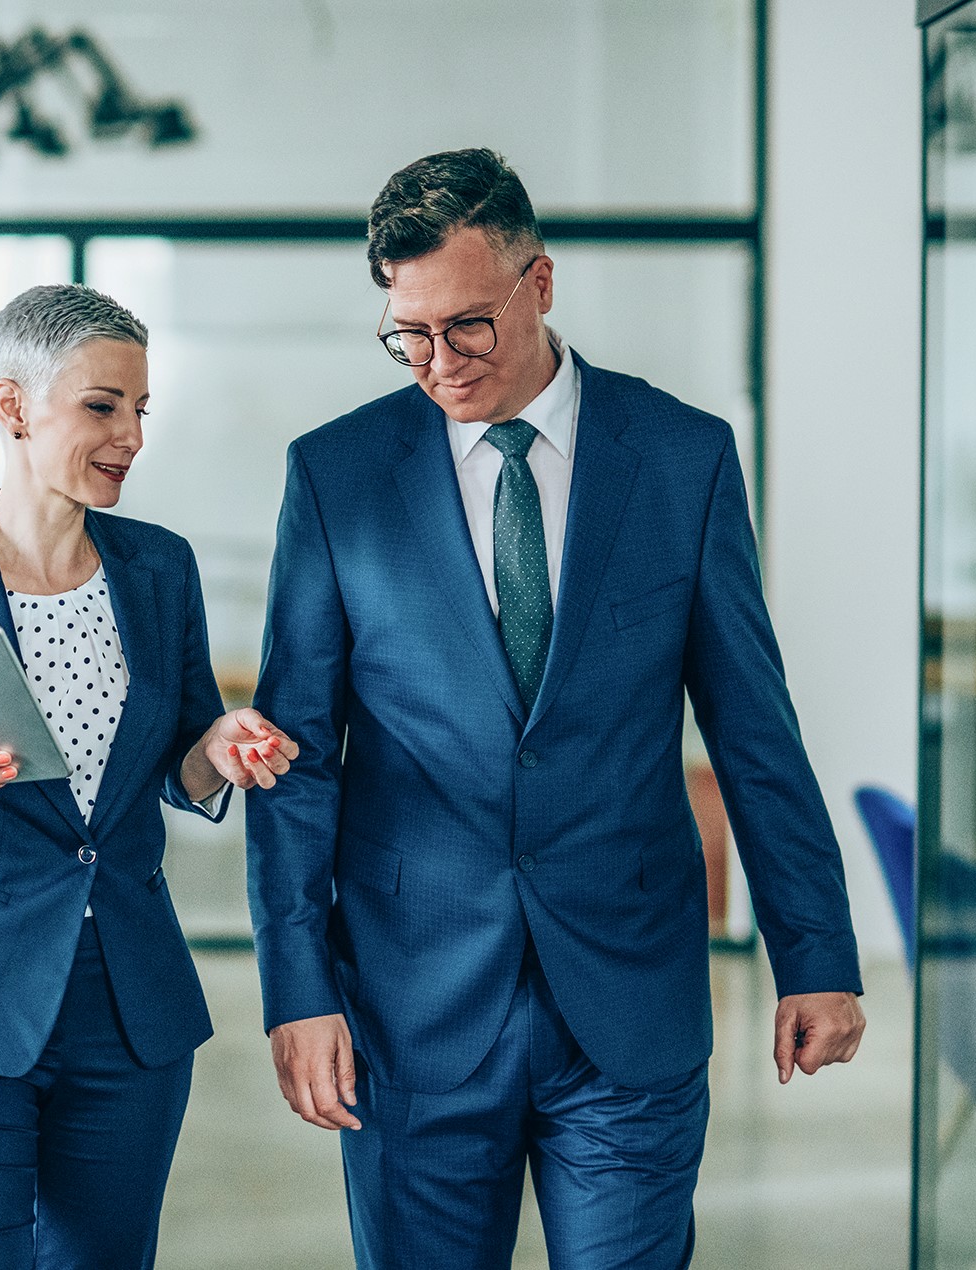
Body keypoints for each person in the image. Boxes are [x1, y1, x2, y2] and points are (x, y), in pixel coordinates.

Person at [246, 148, 866, 1268]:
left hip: (627, 998)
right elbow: (296, 756)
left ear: (539, 282)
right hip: (407, 998)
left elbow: (750, 725)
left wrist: (814, 949)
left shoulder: (682, 457)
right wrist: (294, 987)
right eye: (409, 334)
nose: (438, 362)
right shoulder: (334, 474)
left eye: (467, 326)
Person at [0, 283, 298, 1269]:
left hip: (128, 1011)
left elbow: (182, 755)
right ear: (13, 407)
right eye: (102, 405)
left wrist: (219, 752)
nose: (130, 433)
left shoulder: (158, 570)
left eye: (139, 409)